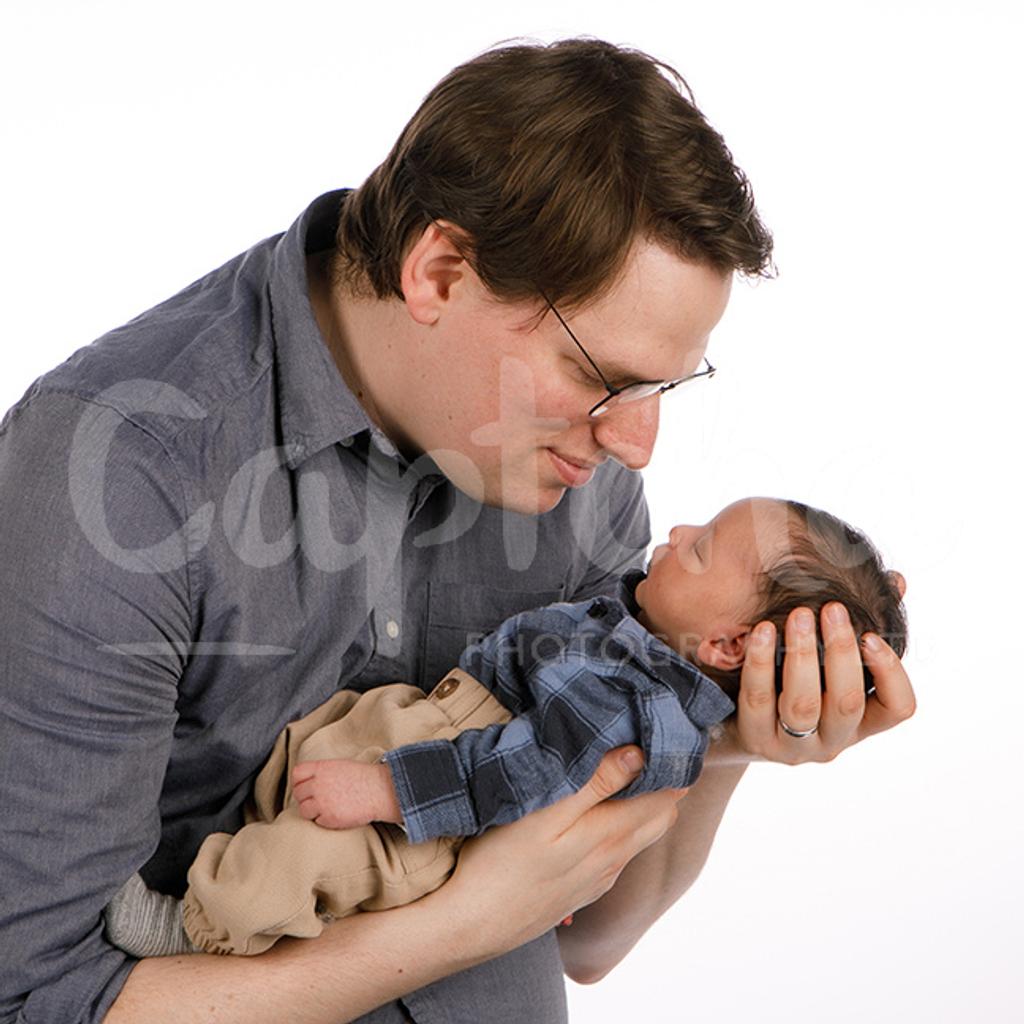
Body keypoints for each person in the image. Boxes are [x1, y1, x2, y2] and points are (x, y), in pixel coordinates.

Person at [0, 38, 916, 1024]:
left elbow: (592, 939)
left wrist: (723, 738)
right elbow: (35, 997)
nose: (637, 444)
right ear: (438, 271)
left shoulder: (580, 474)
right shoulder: (124, 468)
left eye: (660, 386)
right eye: (601, 378)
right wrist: (459, 928)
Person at [102, 496, 908, 959]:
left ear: (732, 645)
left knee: (309, 855)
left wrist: (386, 786)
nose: (677, 532)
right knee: (296, 774)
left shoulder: (637, 709)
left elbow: (517, 774)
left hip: (436, 813)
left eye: (700, 554)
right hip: (433, 732)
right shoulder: (644, 632)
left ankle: (195, 926)